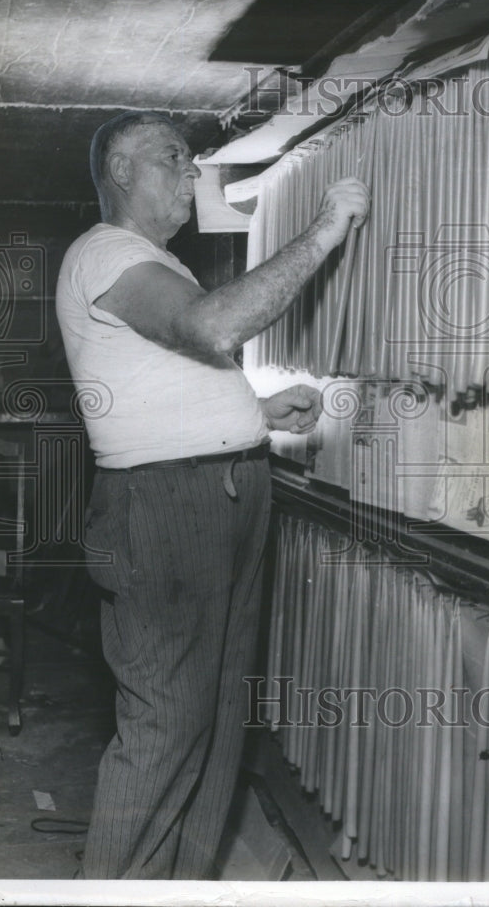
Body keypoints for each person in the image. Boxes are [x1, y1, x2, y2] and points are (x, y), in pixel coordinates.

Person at [55, 111, 369, 880]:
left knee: (218, 720)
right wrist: (324, 231)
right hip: (168, 509)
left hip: (216, 493)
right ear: (122, 171)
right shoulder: (107, 252)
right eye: (175, 158)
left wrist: (250, 415)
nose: (193, 174)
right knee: (166, 725)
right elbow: (212, 326)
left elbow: (156, 384)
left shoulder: (153, 265)